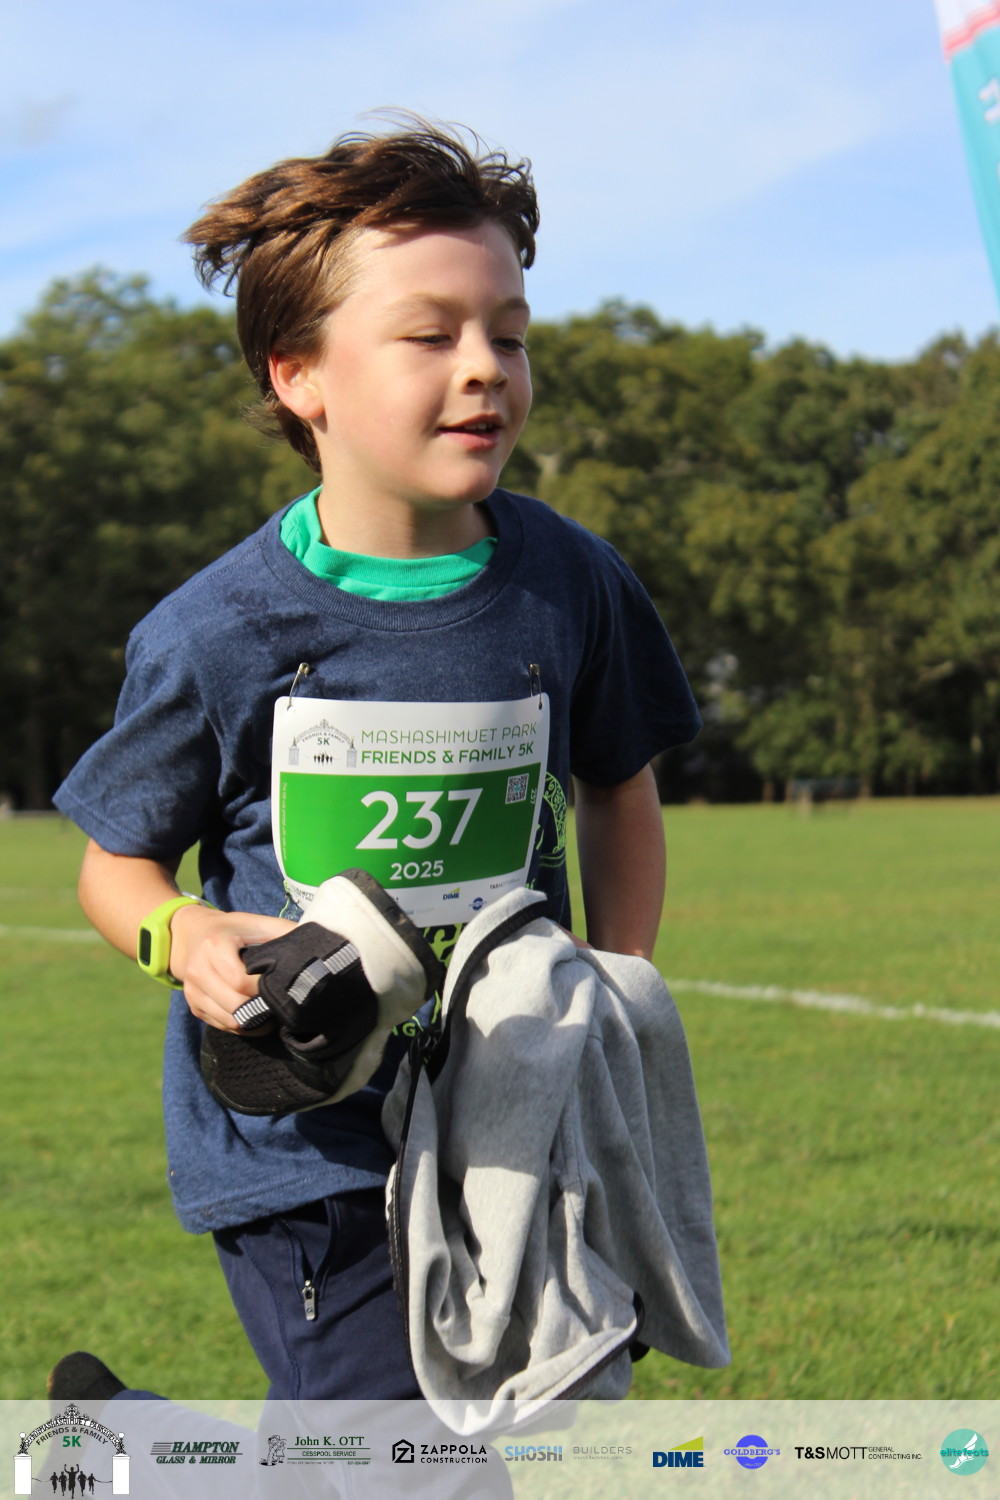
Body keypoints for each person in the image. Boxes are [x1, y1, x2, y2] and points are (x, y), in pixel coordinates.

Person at [51, 118, 702, 1403]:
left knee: (456, 1446)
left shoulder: (570, 582)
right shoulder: (216, 632)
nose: (485, 369)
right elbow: (113, 863)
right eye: (429, 336)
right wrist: (185, 937)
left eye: (508, 335)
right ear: (300, 374)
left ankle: (119, 1451)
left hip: (515, 1116)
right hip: (307, 1148)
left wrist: (614, 984)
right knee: (410, 1468)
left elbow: (618, 785)